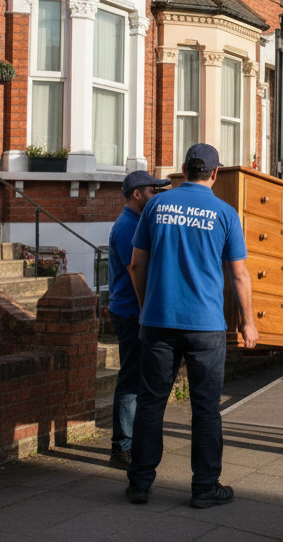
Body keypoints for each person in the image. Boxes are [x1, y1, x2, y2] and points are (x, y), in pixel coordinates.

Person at [125, 144, 259, 508]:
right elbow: (240, 274)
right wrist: (249, 322)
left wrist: (145, 308)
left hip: (158, 322)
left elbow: (136, 266)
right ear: (215, 174)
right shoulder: (225, 213)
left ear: (183, 168)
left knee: (151, 404)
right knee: (205, 408)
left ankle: (139, 484)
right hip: (206, 326)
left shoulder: (155, 205)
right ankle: (204, 487)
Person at [105, 170, 171, 468]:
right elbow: (135, 268)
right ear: (137, 194)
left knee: (141, 379)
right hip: (132, 314)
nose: (155, 196)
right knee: (131, 380)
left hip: (137, 312)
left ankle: (135, 442)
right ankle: (122, 447)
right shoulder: (126, 228)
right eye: (152, 191)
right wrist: (146, 309)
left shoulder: (138, 222)